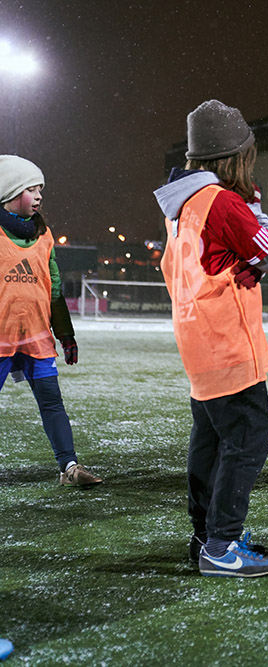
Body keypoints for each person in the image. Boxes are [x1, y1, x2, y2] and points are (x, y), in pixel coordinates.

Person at [155, 100, 268, 578]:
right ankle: (222, 545)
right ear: (234, 156)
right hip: (229, 340)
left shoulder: (180, 206)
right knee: (248, 440)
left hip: (196, 340)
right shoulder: (225, 202)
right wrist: (255, 207)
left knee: (209, 441)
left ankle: (204, 535)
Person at [0, 155, 100, 488]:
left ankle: (69, 467)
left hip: (38, 339)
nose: (39, 196)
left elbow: (53, 290)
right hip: (0, 339)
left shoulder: (44, 235)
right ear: (10, 192)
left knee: (52, 402)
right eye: (31, 188)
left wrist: (66, 335)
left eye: (41, 189)